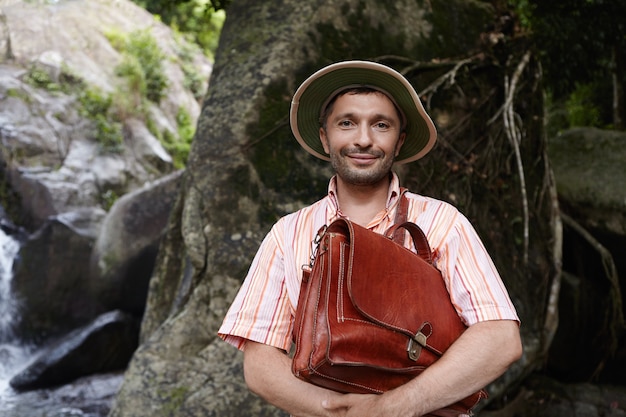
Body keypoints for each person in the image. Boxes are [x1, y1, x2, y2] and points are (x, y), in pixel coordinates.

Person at [218, 60, 522, 417]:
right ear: (324, 136)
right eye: (347, 123)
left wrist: (394, 407)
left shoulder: (442, 222)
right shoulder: (287, 234)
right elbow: (260, 364)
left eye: (381, 125)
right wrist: (339, 411)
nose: (363, 139)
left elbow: (500, 338)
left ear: (400, 140)